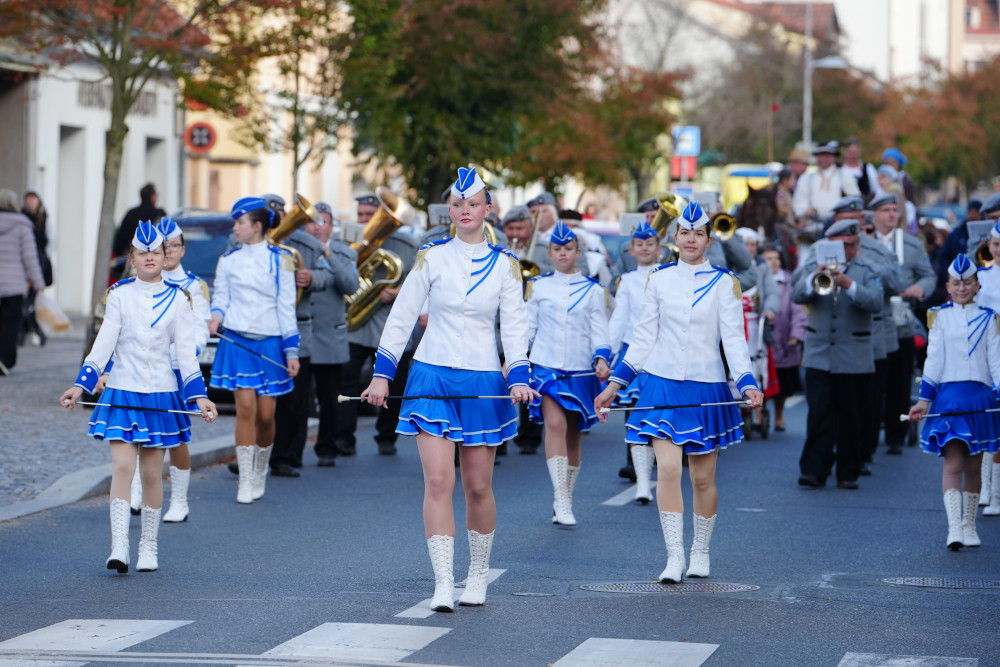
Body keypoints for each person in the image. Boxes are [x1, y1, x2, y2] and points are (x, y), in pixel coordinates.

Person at [361, 166, 536, 612]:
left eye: (473, 204)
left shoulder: (506, 266)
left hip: (482, 379)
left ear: (487, 209)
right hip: (431, 375)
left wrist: (517, 377)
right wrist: (382, 374)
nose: (465, 211)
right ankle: (443, 581)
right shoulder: (431, 257)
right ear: (450, 210)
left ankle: (476, 575)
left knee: (477, 486)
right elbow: (401, 318)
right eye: (457, 205)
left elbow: (515, 329)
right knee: (438, 481)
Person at [594, 201, 764, 584]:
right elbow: (642, 339)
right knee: (668, 469)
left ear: (707, 239)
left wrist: (748, 382)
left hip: (706, 387)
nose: (691, 239)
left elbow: (734, 341)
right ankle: (673, 557)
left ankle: (700, 550)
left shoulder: (724, 283)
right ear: (675, 237)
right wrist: (614, 385)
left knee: (702, 479)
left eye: (699, 234)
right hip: (660, 384)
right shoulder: (659, 279)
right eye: (685, 233)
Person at [59, 222, 216, 573]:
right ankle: (119, 547)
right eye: (142, 252)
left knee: (149, 474)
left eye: (156, 252)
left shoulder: (180, 299)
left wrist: (199, 398)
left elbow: (187, 357)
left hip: (160, 393)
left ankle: (149, 545)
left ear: (165, 257)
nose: (149, 257)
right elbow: (103, 347)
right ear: (132, 258)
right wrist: (80, 385)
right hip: (123, 390)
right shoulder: (119, 295)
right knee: (122, 466)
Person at [104, 218, 212, 521]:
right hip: (142, 371)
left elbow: (199, 331)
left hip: (178, 369)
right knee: (137, 435)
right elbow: (121, 338)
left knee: (174, 439)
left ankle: (179, 500)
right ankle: (135, 493)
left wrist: (181, 355)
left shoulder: (190, 288)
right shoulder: (129, 289)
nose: (171, 251)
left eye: (174, 245)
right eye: (168, 246)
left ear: (175, 250)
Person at [208, 197, 300, 504]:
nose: (235, 228)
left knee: (266, 415)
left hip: (271, 342)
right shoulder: (228, 260)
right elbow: (221, 296)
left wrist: (292, 351)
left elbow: (286, 307)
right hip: (237, 340)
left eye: (240, 223)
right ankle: (245, 479)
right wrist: (216, 317)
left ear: (257, 226)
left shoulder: (281, 259)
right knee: (245, 410)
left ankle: (261, 466)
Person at [907, 254, 1000, 549]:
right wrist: (924, 400)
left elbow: (995, 361)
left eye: (968, 282)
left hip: (981, 397)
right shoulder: (940, 317)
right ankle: (953, 528)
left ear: (976, 285)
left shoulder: (989, 318)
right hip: (949, 399)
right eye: (957, 283)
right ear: (948, 285)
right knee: (953, 462)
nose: (962, 288)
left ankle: (970, 525)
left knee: (973, 467)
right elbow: (933, 360)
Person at [526, 221, 612, 526]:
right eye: (557, 249)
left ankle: (566, 496)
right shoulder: (537, 286)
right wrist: (515, 361)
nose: (563, 254)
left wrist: (602, 358)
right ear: (549, 252)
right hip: (546, 368)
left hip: (580, 371)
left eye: (568, 249)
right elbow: (527, 329)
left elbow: (599, 332)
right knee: (555, 424)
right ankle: (561, 499)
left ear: (578, 251)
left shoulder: (593, 290)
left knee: (574, 436)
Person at [793, 219, 883, 489]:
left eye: (853, 245)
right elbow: (797, 295)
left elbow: (876, 301)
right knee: (819, 413)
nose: (849, 250)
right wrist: (814, 277)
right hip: (819, 352)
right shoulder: (812, 265)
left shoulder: (868, 269)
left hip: (853, 355)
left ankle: (848, 471)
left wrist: (848, 284)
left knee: (851, 416)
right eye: (844, 245)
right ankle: (814, 470)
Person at [335, 193, 420, 457]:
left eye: (370, 215)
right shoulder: (348, 241)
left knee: (394, 385)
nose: (364, 220)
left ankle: (387, 437)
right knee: (347, 382)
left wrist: (395, 293)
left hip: (392, 327)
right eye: (360, 215)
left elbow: (421, 283)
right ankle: (344, 439)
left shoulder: (407, 243)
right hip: (356, 326)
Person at [269, 202, 335, 478]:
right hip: (261, 326)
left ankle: (285, 456)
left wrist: (312, 277)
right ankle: (255, 452)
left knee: (292, 399)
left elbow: (329, 275)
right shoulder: (244, 243)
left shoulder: (305, 244)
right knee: (258, 397)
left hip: (297, 326)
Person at [871, 193, 937, 455]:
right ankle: (870, 433)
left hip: (902, 319)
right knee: (874, 380)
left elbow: (929, 275)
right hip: (874, 317)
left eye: (894, 210)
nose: (891, 215)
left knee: (900, 379)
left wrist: (920, 288)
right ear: (874, 214)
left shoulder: (911, 244)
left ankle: (896, 436)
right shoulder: (864, 242)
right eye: (885, 210)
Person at [607, 221, 662, 501]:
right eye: (639, 244)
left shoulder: (668, 275)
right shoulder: (626, 280)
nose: (644, 248)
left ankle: (662, 472)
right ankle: (642, 481)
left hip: (662, 353)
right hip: (633, 355)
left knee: (660, 414)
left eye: (649, 243)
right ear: (631, 249)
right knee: (635, 418)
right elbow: (619, 320)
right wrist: (606, 353)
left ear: (659, 248)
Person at [306, 202, 359, 467]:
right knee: (295, 401)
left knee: (329, 398)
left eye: (322, 222)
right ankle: (287, 452)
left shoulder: (344, 253)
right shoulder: (296, 251)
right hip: (302, 337)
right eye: (312, 222)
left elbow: (351, 285)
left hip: (329, 337)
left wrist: (328, 255)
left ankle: (327, 447)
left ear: (331, 226)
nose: (316, 227)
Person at [760, 244, 806, 432]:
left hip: (784, 339)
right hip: (762, 339)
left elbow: (798, 310)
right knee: (761, 378)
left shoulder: (788, 280)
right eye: (768, 258)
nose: (773, 262)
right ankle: (759, 413)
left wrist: (797, 334)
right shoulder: (758, 279)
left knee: (784, 383)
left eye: (776, 258)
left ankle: (779, 415)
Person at [0, 189, 44, 375]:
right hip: (13, 285)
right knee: (10, 324)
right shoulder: (22, 225)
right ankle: (5, 361)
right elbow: (30, 258)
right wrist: (38, 282)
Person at [975, 220, 1000, 516]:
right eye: (995, 245)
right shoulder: (980, 276)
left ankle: (996, 495)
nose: (998, 250)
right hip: (986, 350)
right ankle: (985, 488)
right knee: (985, 414)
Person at [20, 188, 52, 347]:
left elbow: (49, 241)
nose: (31, 202)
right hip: (25, 264)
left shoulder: (44, 218)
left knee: (30, 301)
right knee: (26, 302)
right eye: (29, 199)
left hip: (39, 261)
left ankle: (32, 331)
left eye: (34, 199)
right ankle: (31, 331)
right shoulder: (21, 218)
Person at [793, 142, 845, 224]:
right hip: (813, 223)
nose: (823, 159)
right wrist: (806, 210)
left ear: (834, 157)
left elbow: (853, 199)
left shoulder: (844, 176)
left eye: (826, 156)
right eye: (820, 156)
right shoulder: (807, 178)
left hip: (839, 222)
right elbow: (800, 200)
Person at [112, 183, 167, 262]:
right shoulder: (159, 214)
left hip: (127, 259)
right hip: (151, 260)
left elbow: (120, 242)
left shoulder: (130, 213)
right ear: (153, 197)